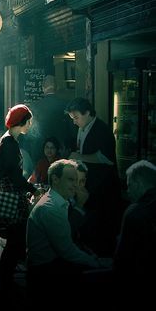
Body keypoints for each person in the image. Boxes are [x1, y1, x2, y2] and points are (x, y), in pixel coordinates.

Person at [26, 159, 111, 307]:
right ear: (55, 179)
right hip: (44, 274)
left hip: (48, 267)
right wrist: (96, 263)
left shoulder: (58, 202)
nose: (75, 185)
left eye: (79, 180)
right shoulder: (50, 207)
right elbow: (66, 250)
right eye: (71, 179)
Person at [65, 97, 122, 256]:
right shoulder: (81, 127)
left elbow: (106, 158)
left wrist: (79, 157)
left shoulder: (102, 129)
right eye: (72, 118)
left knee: (101, 227)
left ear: (88, 112)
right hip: (88, 185)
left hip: (103, 187)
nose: (74, 122)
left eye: (76, 117)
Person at [0, 104, 37, 297]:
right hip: (13, 198)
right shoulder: (10, 143)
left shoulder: (7, 140)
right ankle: (6, 284)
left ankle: (6, 282)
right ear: (23, 122)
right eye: (29, 121)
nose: (31, 125)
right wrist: (31, 187)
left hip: (9, 196)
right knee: (15, 242)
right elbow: (14, 175)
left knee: (14, 241)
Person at [113, 160, 156, 308]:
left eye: (129, 185)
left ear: (138, 183)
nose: (128, 191)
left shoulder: (135, 212)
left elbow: (121, 261)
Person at [24, 75, 75, 164]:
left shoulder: (34, 106)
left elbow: (30, 132)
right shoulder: (65, 105)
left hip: (39, 151)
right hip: (61, 151)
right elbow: (72, 130)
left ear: (43, 88)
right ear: (57, 87)